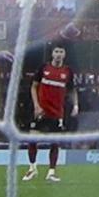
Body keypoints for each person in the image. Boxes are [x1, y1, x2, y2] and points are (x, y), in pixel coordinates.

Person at [25, 44, 77, 182]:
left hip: (57, 112)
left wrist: (76, 105)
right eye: (56, 51)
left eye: (61, 51)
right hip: (41, 110)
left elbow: (72, 90)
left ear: (64, 55)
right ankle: (32, 169)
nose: (58, 54)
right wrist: (36, 105)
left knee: (55, 143)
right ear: (52, 54)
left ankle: (51, 172)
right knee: (32, 139)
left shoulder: (68, 72)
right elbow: (34, 86)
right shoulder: (44, 68)